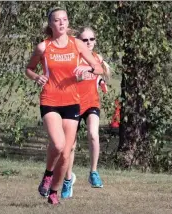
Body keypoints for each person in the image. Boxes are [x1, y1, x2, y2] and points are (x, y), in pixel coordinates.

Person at [25, 8, 103, 205]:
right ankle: (48, 173)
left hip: (72, 102)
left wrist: (87, 68)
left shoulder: (76, 44)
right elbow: (29, 69)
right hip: (50, 100)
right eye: (57, 20)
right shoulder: (43, 47)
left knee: (66, 153)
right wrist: (37, 77)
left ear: (68, 23)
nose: (61, 23)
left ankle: (53, 192)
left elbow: (99, 68)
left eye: (64, 20)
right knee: (58, 145)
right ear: (50, 24)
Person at [60, 27, 110, 198]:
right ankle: (68, 180)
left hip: (91, 104)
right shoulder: (73, 58)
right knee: (70, 146)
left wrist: (101, 81)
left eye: (91, 39)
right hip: (72, 104)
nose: (89, 42)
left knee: (93, 134)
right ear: (79, 41)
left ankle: (93, 172)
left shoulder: (97, 58)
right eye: (85, 40)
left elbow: (99, 72)